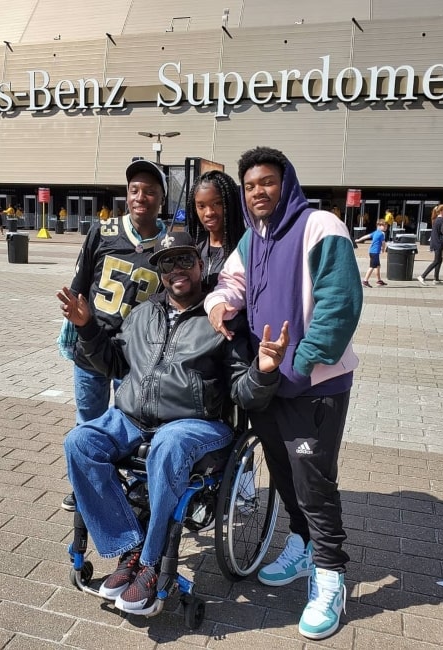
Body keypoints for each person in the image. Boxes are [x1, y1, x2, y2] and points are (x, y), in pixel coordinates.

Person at [59, 231, 289, 616]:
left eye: (185, 260)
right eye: (167, 263)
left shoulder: (221, 320)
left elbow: (242, 391)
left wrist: (264, 372)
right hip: (131, 417)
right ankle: (129, 548)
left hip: (196, 424)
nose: (176, 270)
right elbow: (114, 364)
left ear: (200, 265)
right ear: (160, 271)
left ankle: (150, 564)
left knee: (169, 445)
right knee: (79, 442)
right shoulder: (143, 313)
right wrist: (87, 327)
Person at [205, 146, 362, 641]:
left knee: (315, 482)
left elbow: (340, 304)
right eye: (251, 186)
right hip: (268, 379)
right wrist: (220, 302)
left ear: (286, 182)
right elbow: (230, 280)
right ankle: (300, 544)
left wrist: (299, 360)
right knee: (282, 472)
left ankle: (331, 575)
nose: (259, 192)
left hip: (314, 384)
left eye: (267, 182)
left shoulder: (322, 226)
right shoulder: (253, 239)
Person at [58, 159, 168, 511]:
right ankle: (85, 484)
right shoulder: (102, 232)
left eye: (150, 191)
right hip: (92, 345)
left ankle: (135, 482)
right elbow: (80, 284)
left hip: (134, 354)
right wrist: (71, 326)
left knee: (131, 421)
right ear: (126, 195)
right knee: (88, 420)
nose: (141, 197)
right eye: (135, 190)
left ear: (161, 198)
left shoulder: (169, 243)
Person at [186, 169, 245, 290]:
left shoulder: (245, 246)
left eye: (217, 203)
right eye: (201, 206)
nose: (209, 213)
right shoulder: (191, 244)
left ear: (230, 203)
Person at [418, 204, 443, 285]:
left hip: (437, 242)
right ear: (442, 211)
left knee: (439, 260)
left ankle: (436, 278)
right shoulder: (441, 219)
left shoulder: (438, 219)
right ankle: (422, 276)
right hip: (438, 243)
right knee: (436, 261)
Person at [356, 219, 388, 287]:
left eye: (386, 226)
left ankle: (379, 281)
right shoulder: (382, 233)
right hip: (375, 252)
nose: (386, 228)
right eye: (384, 226)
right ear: (379, 226)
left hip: (372, 252)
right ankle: (365, 281)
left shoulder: (375, 232)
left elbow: (366, 236)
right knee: (372, 267)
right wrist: (383, 249)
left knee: (378, 266)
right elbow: (383, 243)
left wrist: (359, 240)